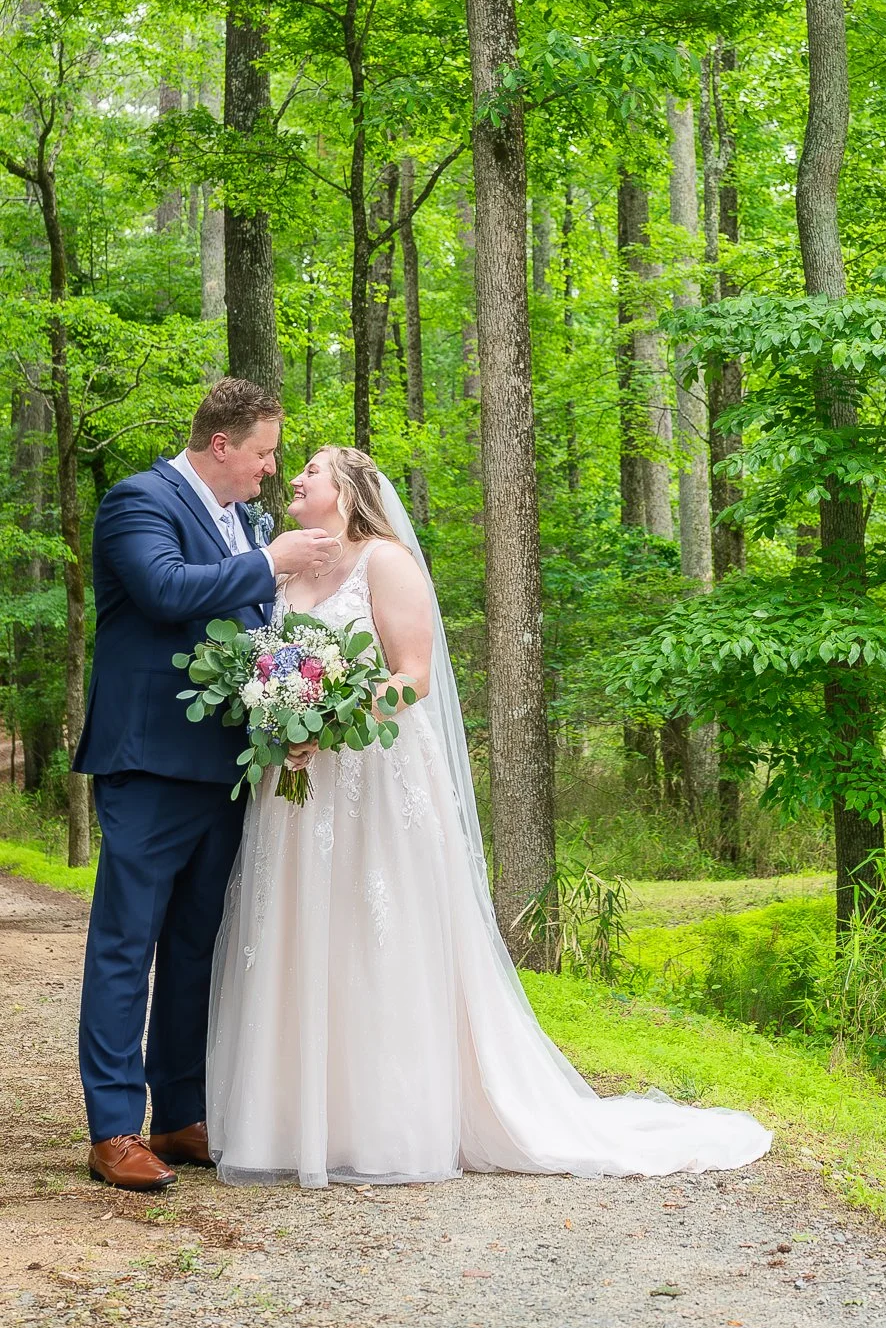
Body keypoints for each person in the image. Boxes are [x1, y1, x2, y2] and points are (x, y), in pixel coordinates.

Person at [208, 447, 772, 1185]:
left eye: (312, 471)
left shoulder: (386, 563)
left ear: (346, 492)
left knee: (376, 934)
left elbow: (412, 677)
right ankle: (295, 1123)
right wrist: (285, 721)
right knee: (301, 933)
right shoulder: (283, 568)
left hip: (376, 779)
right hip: (300, 788)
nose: (298, 479)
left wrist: (333, 717)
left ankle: (385, 1125)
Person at [75, 380, 342, 1192]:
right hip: (149, 758)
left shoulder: (245, 520)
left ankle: (181, 1114)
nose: (271, 470)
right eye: (263, 452)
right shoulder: (139, 500)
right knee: (127, 943)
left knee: (197, 944)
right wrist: (269, 562)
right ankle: (114, 1128)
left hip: (226, 765)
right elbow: (164, 592)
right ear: (221, 445)